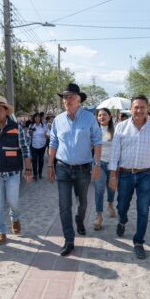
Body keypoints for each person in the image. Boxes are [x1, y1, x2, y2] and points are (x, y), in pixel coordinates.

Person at [48, 83, 102, 256]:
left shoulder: (89, 118)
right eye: (64, 97)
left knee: (83, 203)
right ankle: (69, 239)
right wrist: (50, 165)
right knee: (64, 205)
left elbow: (97, 142)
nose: (67, 100)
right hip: (63, 168)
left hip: (83, 169)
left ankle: (80, 221)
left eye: (70, 97)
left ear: (79, 100)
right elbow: (53, 143)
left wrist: (97, 164)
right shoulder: (58, 120)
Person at [108, 95, 150, 259]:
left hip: (145, 174)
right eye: (136, 107)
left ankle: (138, 241)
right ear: (131, 109)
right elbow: (115, 153)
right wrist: (112, 175)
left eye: (142, 107)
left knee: (143, 209)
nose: (139, 110)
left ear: (147, 108)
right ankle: (122, 221)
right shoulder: (121, 127)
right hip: (125, 174)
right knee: (122, 205)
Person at [0, 96, 33, 245]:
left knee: (13, 201)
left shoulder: (16, 129)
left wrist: (28, 169)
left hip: (13, 173)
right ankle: (1, 231)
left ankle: (15, 218)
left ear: (6, 111)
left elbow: (25, 150)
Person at [93, 107, 116, 231]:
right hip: (98, 163)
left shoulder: (115, 130)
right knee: (99, 189)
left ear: (110, 117)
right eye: (100, 115)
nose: (102, 117)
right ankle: (99, 216)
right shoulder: (94, 130)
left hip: (112, 164)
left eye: (104, 115)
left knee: (111, 188)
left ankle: (110, 204)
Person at [28, 112, 48, 180]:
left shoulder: (44, 126)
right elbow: (28, 135)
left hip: (42, 146)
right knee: (34, 160)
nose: (37, 118)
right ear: (34, 118)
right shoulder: (31, 125)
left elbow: (46, 134)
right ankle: (35, 175)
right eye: (36, 117)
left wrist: (48, 136)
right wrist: (31, 132)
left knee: (41, 160)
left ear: (40, 118)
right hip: (34, 146)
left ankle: (40, 173)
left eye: (38, 117)